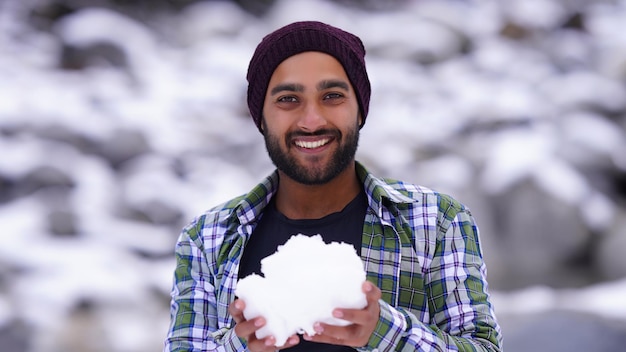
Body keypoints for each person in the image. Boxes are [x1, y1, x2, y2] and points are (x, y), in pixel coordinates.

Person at [164, 21, 502, 352]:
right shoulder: (207, 239)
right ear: (261, 117)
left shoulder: (435, 221)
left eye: (332, 96)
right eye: (288, 99)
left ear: (359, 111)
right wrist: (240, 347)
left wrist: (383, 331)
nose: (312, 120)